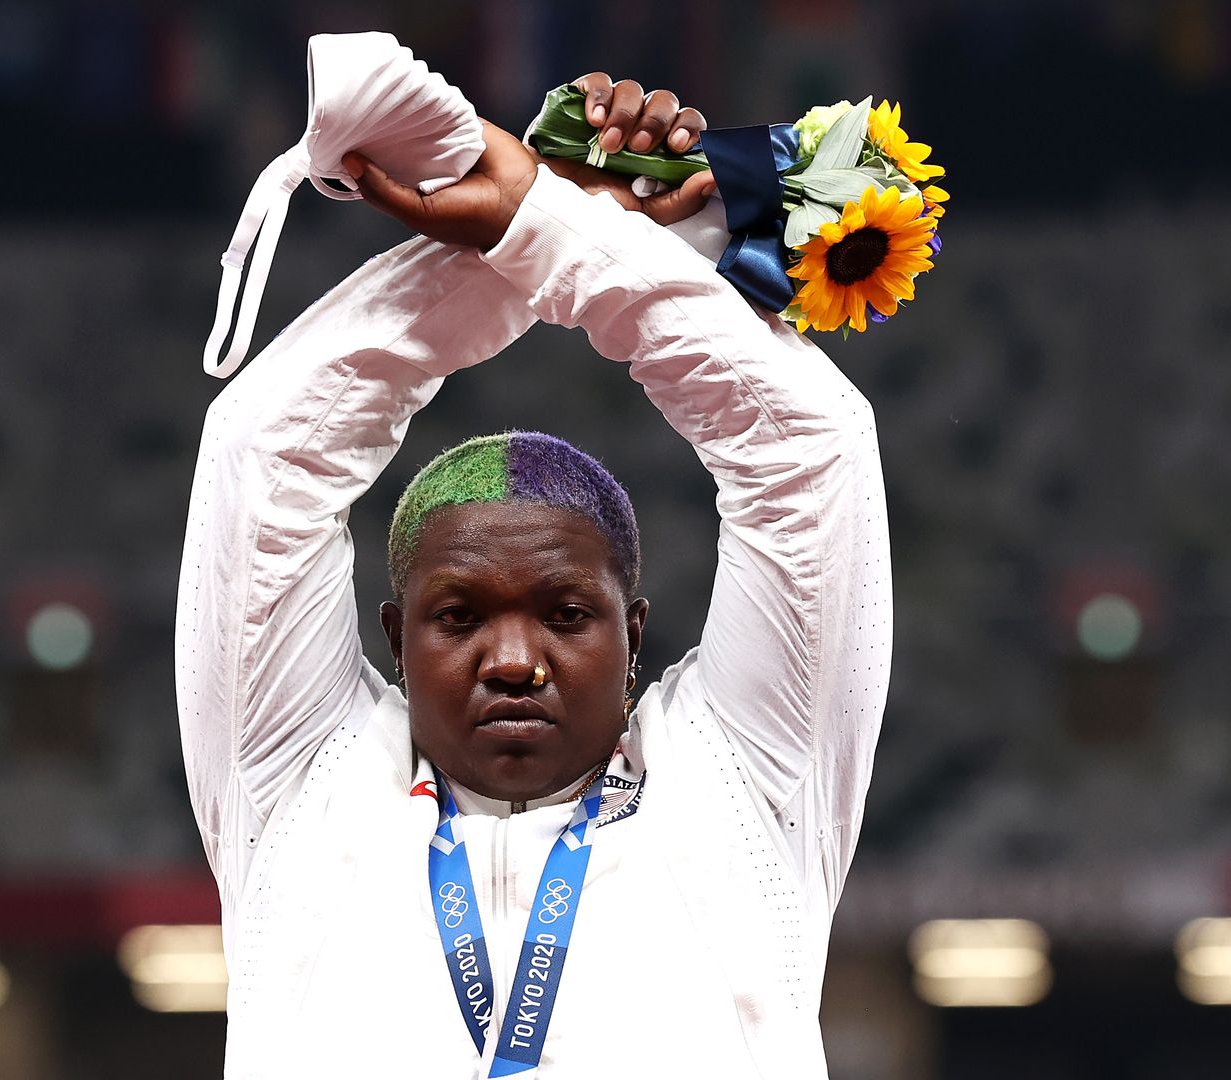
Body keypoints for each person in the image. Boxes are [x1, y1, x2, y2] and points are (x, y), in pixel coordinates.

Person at [176, 73, 892, 1078]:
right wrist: (555, 227)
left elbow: (810, 452)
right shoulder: (298, 782)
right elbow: (269, 453)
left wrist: (546, 227)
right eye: (459, 616)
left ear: (635, 634)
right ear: (394, 639)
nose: (514, 660)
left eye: (565, 613)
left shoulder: (747, 783)